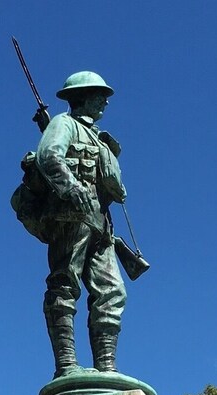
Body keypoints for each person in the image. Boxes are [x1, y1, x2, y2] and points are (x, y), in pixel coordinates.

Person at [36, 71, 128, 378]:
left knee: (112, 291)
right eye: (98, 95)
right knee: (64, 283)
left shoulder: (99, 138)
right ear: (82, 97)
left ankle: (107, 367)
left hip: (101, 223)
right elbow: (49, 157)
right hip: (71, 215)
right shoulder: (64, 124)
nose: (104, 101)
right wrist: (73, 190)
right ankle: (66, 365)